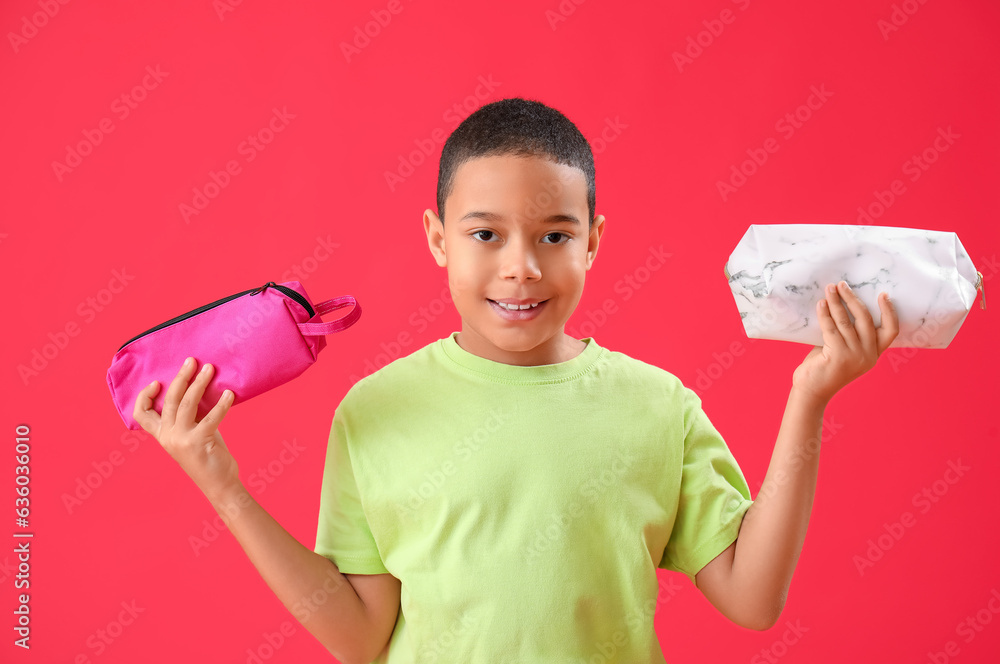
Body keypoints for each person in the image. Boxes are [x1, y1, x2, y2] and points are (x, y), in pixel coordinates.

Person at [132, 97, 899, 663]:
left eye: (555, 235)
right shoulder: (374, 411)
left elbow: (753, 600)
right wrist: (223, 486)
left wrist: (811, 396)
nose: (520, 265)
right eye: (485, 234)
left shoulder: (660, 408)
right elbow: (361, 635)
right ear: (438, 238)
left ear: (593, 242)